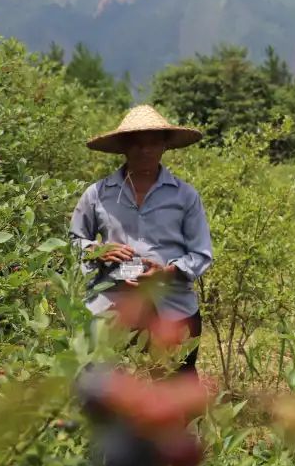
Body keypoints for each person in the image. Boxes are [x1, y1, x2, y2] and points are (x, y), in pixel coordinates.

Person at [70, 105, 213, 372]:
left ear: (164, 146)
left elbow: (201, 253)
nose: (144, 150)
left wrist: (167, 272)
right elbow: (74, 240)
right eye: (136, 144)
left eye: (152, 143)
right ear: (124, 147)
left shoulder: (185, 196)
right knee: (104, 386)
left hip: (172, 307)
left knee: (175, 385)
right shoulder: (97, 194)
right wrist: (98, 251)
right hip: (111, 305)